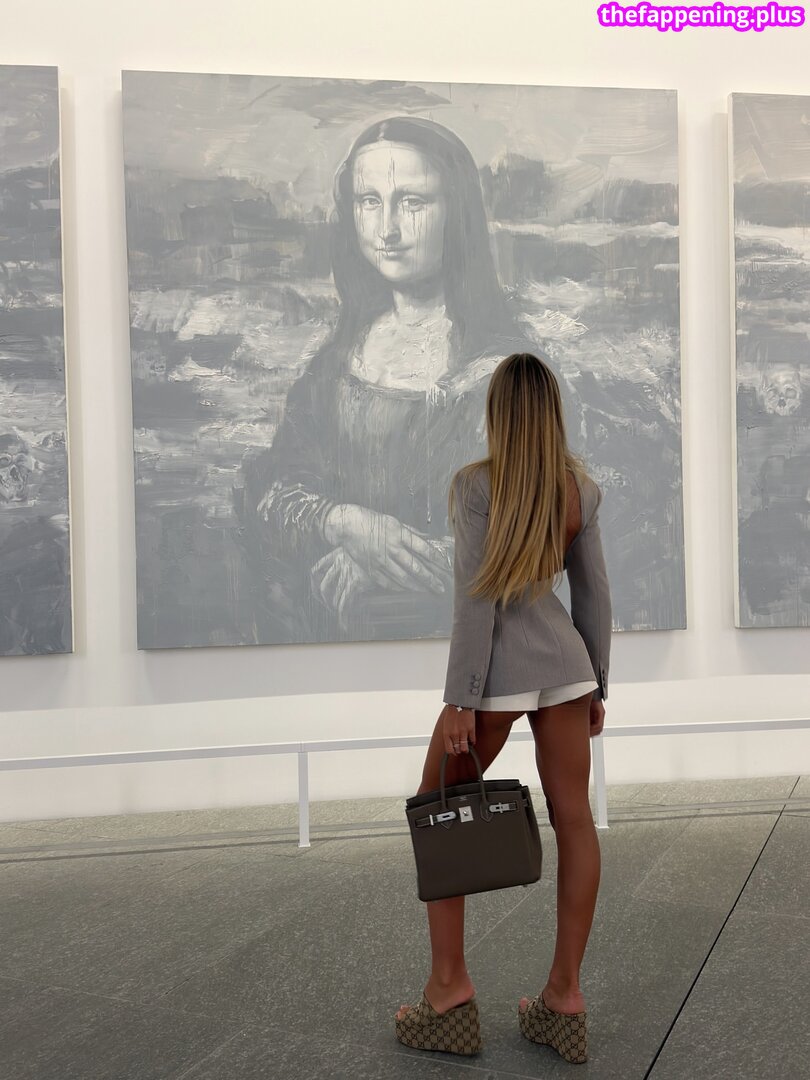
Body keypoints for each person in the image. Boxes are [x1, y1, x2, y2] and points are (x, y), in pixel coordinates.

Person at [240, 117, 577, 644]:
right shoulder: (336, 363)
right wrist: (345, 523)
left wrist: (378, 566)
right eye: (368, 201)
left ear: (456, 213)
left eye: (412, 202)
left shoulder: (509, 374)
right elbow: (272, 494)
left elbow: (532, 544)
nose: (387, 230)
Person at [394, 352, 612, 1063]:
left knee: (437, 807)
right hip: (565, 667)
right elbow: (594, 597)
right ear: (551, 413)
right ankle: (563, 997)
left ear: (497, 413)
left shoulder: (475, 486)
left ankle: (448, 992)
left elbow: (477, 599)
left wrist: (461, 699)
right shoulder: (579, 490)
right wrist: (597, 683)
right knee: (575, 822)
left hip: (497, 673)